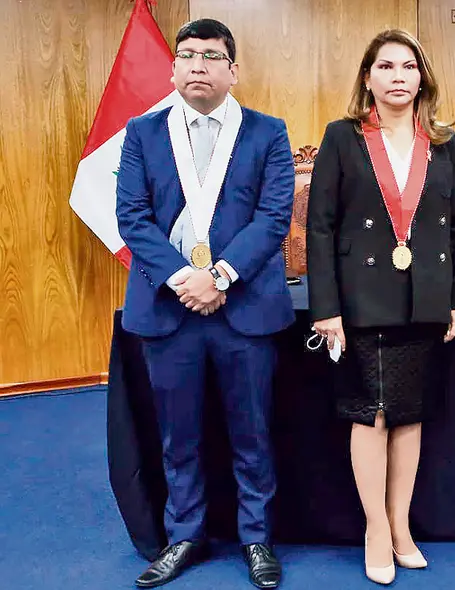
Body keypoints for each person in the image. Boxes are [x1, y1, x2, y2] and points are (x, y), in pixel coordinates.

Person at [116, 18, 293, 590]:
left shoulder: (268, 133)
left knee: (253, 432)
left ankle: (257, 537)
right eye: (187, 55)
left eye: (212, 56)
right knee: (178, 434)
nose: (198, 65)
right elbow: (133, 219)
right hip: (170, 311)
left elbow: (273, 217)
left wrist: (218, 276)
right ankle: (184, 533)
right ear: (173, 68)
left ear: (233, 71)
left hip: (243, 309)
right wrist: (181, 279)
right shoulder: (142, 133)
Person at [306, 29, 455, 586]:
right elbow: (321, 227)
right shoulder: (342, 137)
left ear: (421, 77)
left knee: (409, 414)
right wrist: (325, 308)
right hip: (361, 302)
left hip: (424, 301)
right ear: (368, 77)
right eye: (386, 66)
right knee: (371, 413)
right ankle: (375, 527)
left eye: (408, 66)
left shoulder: (443, 142)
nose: (398, 76)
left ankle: (401, 526)